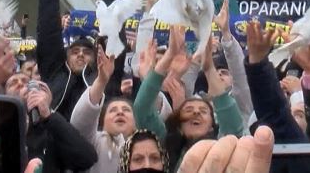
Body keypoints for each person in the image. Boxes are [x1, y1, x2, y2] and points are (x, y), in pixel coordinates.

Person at [134, 26, 244, 171]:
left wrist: (209, 68)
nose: (196, 113)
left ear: (212, 124)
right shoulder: (163, 145)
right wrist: (170, 54)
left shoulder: (222, 146)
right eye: (189, 109)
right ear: (178, 124)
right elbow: (142, 109)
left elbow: (232, 125)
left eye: (204, 111)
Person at [71, 46, 137, 172]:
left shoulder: (146, 144)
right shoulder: (96, 141)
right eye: (112, 110)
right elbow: (79, 124)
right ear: (102, 121)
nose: (120, 112)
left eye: (126, 110)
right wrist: (101, 81)